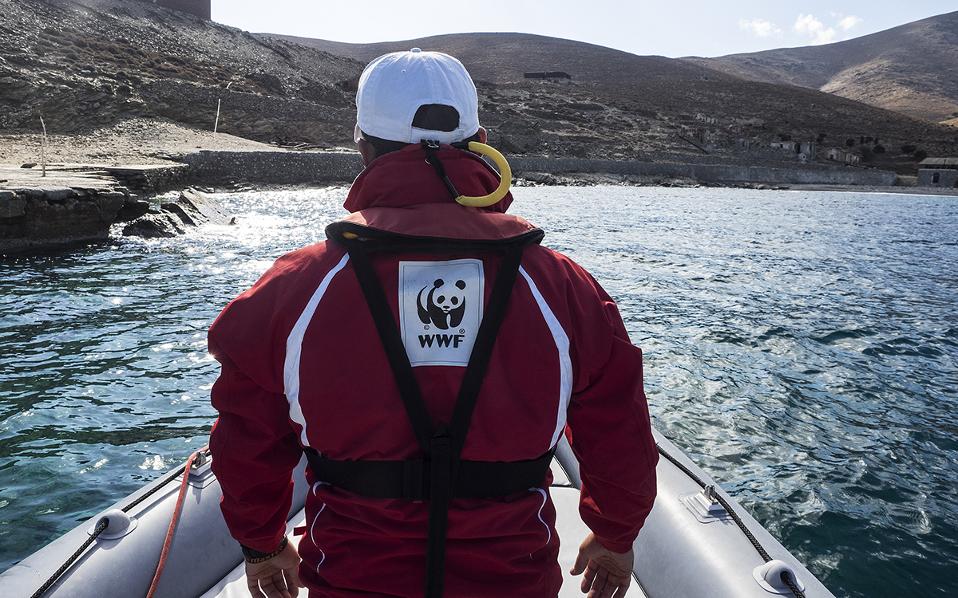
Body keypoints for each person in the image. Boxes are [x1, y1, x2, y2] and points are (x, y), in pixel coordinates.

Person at [208, 49, 657, 598]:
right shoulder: (563, 288)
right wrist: (614, 532)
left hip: (352, 581)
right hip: (511, 582)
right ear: (480, 138)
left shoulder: (294, 287)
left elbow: (246, 436)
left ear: (362, 146)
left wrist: (261, 542)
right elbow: (621, 432)